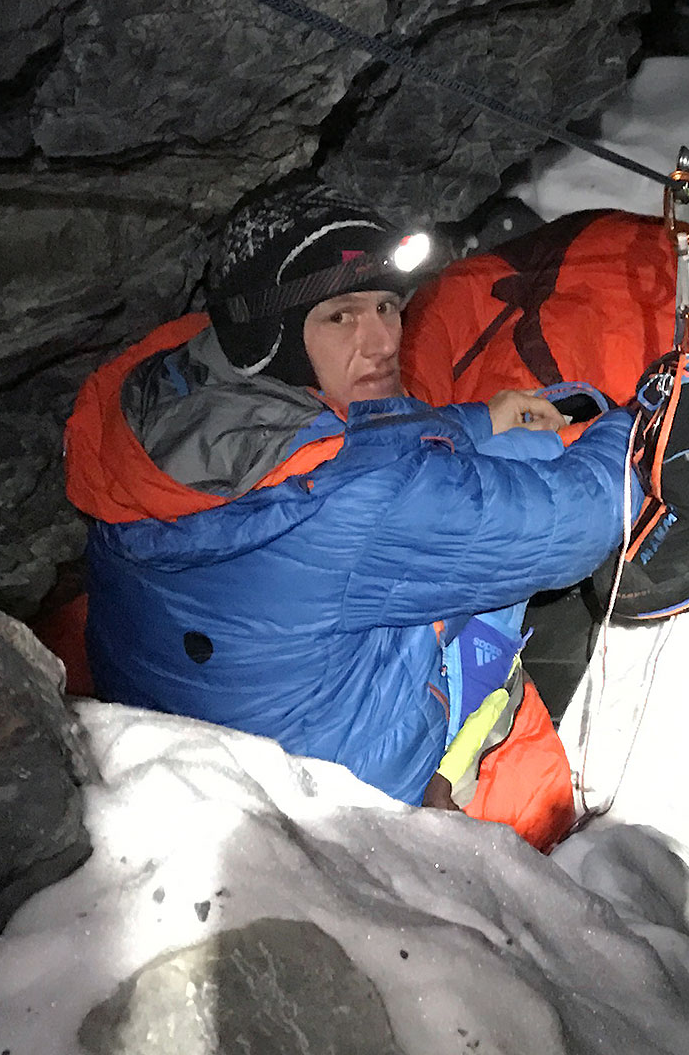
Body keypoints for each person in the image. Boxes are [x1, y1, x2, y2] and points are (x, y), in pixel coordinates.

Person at [63, 179, 635, 847]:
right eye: (340, 316)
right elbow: (575, 523)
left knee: (497, 446)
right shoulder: (358, 501)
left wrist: (476, 418)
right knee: (523, 471)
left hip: (204, 744)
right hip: (345, 798)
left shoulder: (164, 397)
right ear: (273, 336)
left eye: (388, 306)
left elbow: (332, 445)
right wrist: (635, 421)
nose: (383, 340)